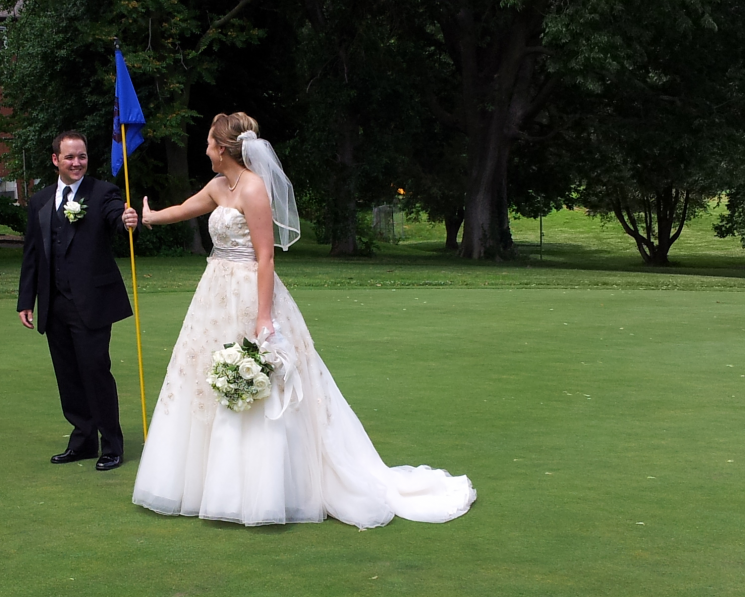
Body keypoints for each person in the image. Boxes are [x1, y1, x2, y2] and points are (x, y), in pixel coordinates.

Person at [131, 113, 475, 527]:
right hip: (213, 294)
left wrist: (262, 318)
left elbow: (266, 256)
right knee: (203, 379)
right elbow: (187, 209)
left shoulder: (254, 189)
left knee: (260, 383)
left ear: (222, 149)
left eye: (208, 143)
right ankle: (207, 484)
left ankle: (263, 490)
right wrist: (148, 217)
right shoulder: (219, 186)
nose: (204, 149)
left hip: (248, 293)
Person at [17, 131, 139, 472]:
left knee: (95, 372)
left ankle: (111, 445)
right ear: (55, 159)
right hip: (53, 303)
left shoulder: (102, 192)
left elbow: (117, 214)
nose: (77, 162)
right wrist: (26, 300)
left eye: (82, 156)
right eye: (70, 157)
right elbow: (31, 254)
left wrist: (127, 220)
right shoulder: (40, 200)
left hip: (91, 302)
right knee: (68, 375)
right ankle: (83, 440)